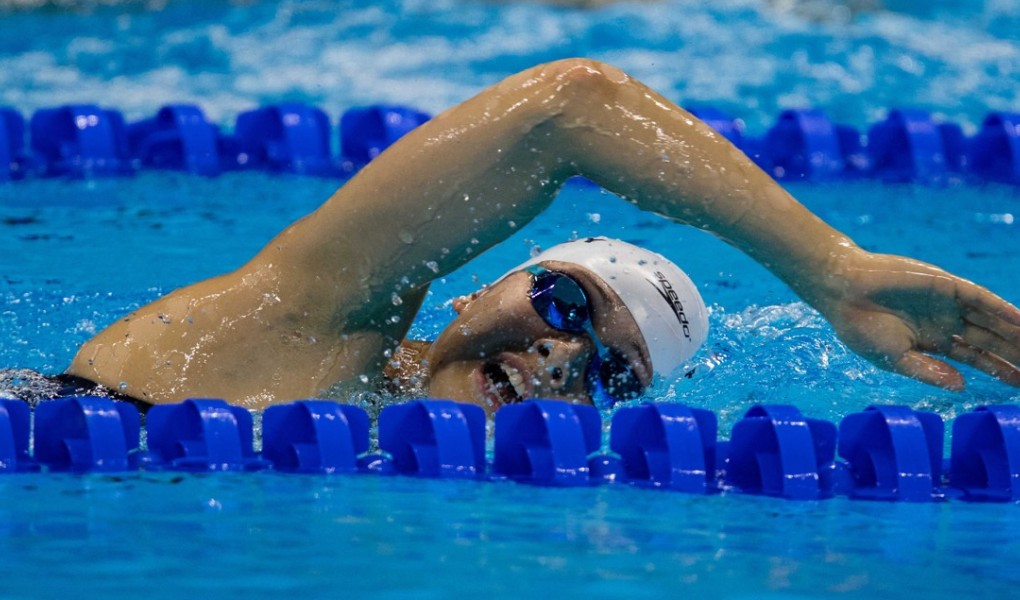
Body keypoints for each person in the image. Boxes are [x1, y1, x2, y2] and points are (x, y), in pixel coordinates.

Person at [49, 59, 1020, 412]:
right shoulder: (302, 326)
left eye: (613, 374)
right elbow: (570, 109)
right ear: (474, 290)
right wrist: (832, 270)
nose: (563, 354)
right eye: (565, 303)